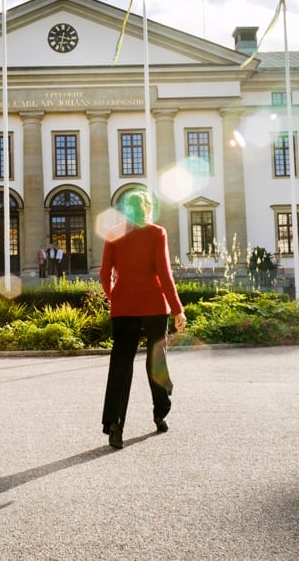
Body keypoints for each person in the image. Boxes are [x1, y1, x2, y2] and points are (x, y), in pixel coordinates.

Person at [99, 190, 186, 449]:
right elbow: (164, 274)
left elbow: (104, 274)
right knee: (156, 360)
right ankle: (160, 413)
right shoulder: (157, 232)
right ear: (147, 208)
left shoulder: (113, 233)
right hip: (154, 306)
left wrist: (115, 298)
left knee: (120, 365)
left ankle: (115, 425)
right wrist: (177, 309)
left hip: (124, 308)